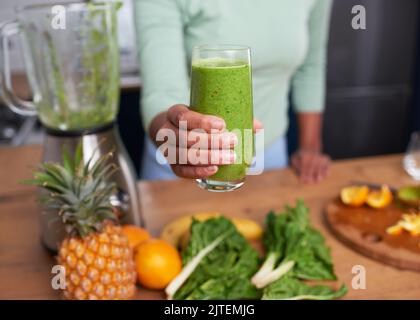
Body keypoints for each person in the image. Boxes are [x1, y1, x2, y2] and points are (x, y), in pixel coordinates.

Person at [134, 0, 332, 183]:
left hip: (268, 158)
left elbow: (310, 67)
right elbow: (161, 91)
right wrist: (174, 138)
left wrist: (310, 147)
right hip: (184, 158)